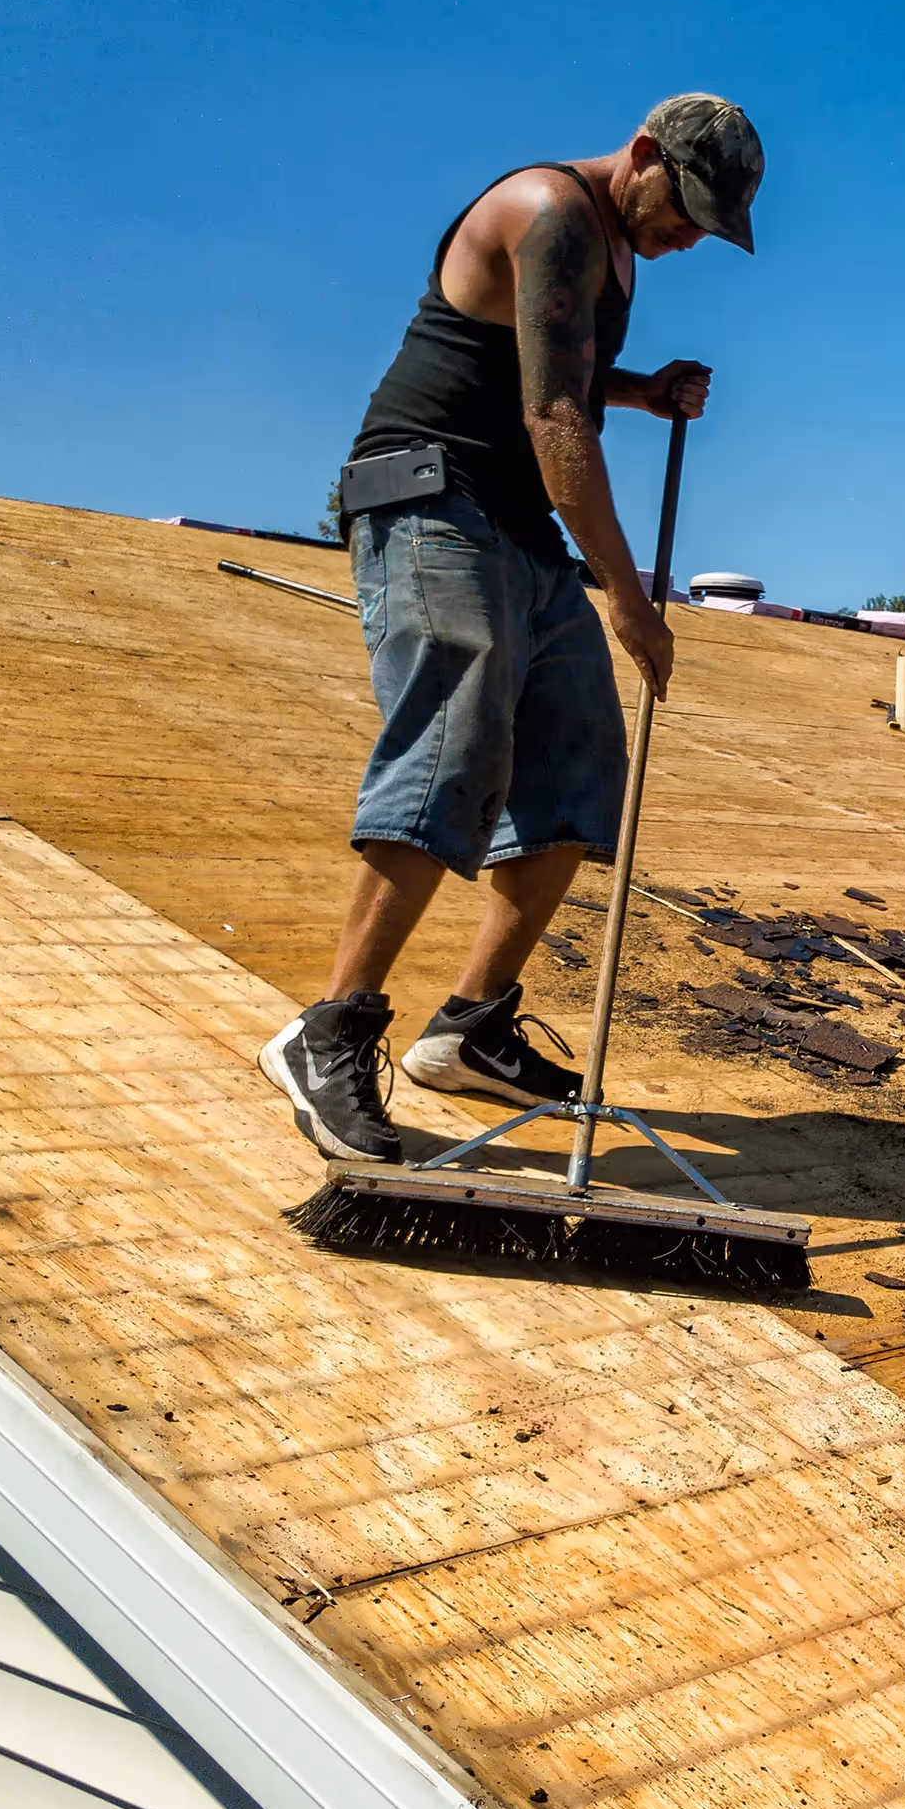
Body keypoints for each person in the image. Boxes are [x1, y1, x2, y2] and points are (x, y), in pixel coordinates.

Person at [258, 96, 764, 1163]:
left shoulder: (614, 249)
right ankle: (329, 1028)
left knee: (580, 762)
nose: (685, 241)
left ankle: (470, 1029)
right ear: (641, 155)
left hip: (512, 519)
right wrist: (628, 594)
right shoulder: (552, 210)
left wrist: (644, 388)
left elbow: (567, 372)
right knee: (461, 735)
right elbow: (551, 415)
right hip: (428, 494)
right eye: (686, 212)